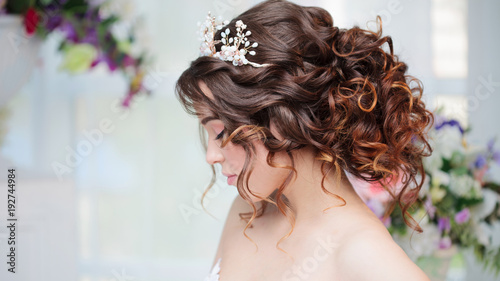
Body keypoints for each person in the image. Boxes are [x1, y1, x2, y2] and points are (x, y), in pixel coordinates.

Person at [176, 0, 433, 280]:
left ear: (281, 120)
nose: (211, 156)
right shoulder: (248, 212)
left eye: (220, 132)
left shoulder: (367, 257)